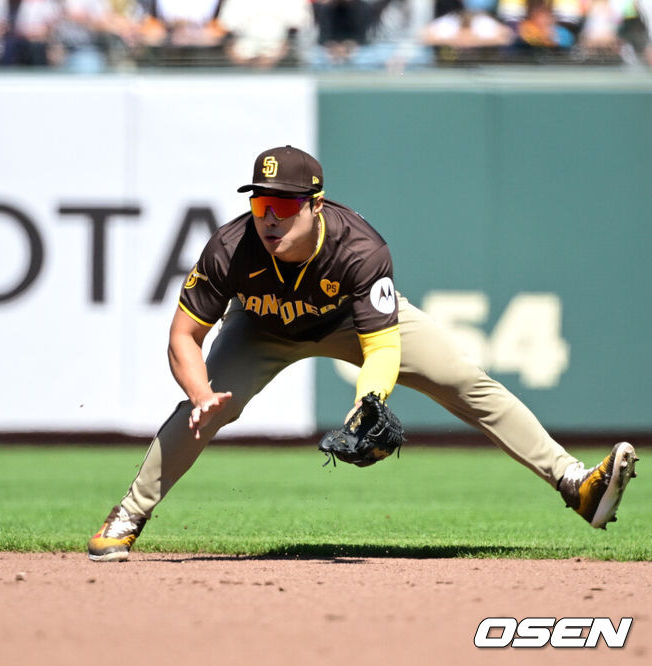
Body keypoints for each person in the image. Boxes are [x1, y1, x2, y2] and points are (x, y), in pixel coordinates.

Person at [87, 145, 639, 562]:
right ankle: (128, 515)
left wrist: (367, 402)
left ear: (314, 204)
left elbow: (381, 345)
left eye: (282, 203)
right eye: (260, 202)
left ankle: (576, 486)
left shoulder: (359, 248)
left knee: (466, 381)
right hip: (262, 328)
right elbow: (183, 336)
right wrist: (202, 393)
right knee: (202, 412)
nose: (269, 216)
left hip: (352, 323)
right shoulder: (231, 248)